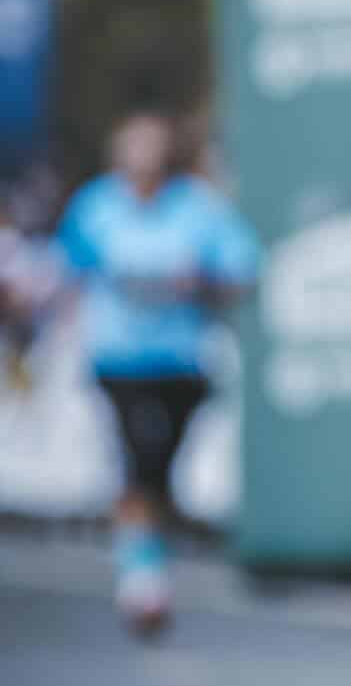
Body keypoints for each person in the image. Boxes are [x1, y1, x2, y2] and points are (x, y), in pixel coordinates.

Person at [55, 110, 258, 635]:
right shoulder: (96, 206)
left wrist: (203, 281)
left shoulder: (197, 209)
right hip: (118, 357)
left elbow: (240, 269)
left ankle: (144, 555)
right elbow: (63, 271)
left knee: (161, 469)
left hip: (180, 359)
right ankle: (142, 579)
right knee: (137, 459)